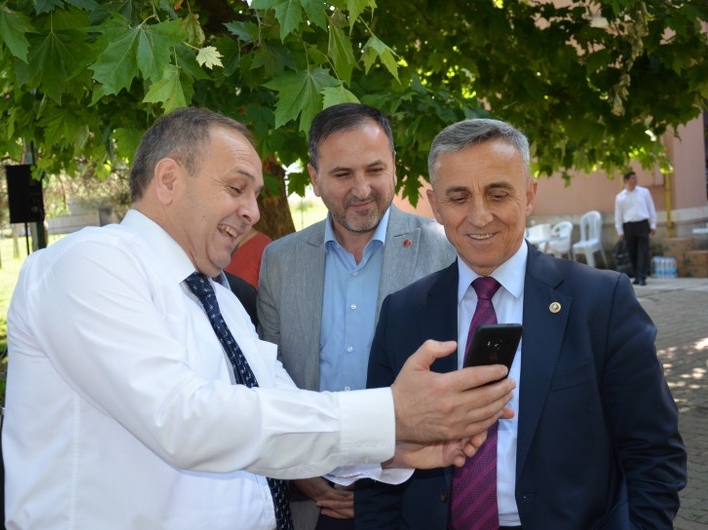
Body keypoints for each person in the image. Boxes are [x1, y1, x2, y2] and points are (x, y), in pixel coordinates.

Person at [1, 107, 517, 529]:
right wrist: (391, 415)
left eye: (253, 194)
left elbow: (284, 412)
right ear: (169, 180)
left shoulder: (219, 297)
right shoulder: (89, 263)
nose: (252, 211)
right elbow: (184, 421)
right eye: (236, 188)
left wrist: (397, 449)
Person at [356, 118, 687, 529]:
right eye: (459, 197)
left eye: (498, 194)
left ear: (529, 196)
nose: (480, 216)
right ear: (435, 204)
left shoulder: (601, 303)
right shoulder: (401, 314)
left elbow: (654, 452)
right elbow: (376, 463)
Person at [258, 102, 456, 529]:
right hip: (312, 498)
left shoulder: (446, 251)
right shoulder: (280, 261)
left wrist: (378, 486)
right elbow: (267, 377)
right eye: (343, 174)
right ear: (314, 179)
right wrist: (300, 470)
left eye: (375, 169)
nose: (362, 189)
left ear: (394, 167)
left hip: (410, 499)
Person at [615, 171, 657, 285]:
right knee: (632, 252)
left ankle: (642, 276)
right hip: (629, 226)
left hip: (642, 223)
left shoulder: (644, 192)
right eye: (632, 178)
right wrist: (620, 230)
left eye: (635, 177)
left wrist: (653, 224)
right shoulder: (620, 197)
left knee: (643, 251)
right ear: (626, 180)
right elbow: (618, 214)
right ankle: (636, 276)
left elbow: (651, 207)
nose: (635, 180)